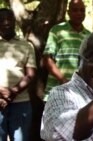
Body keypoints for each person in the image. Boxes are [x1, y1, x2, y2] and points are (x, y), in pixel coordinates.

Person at [42, 0, 91, 101]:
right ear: (68, 12)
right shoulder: (57, 30)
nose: (79, 13)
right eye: (75, 10)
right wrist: (64, 81)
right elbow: (47, 59)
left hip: (80, 92)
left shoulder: (89, 35)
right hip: (57, 90)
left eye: (82, 10)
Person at [0, 8, 37, 141]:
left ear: (14, 22)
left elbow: (31, 75)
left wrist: (12, 93)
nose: (6, 23)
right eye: (2, 20)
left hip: (21, 103)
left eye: (9, 19)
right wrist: (2, 93)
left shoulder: (27, 46)